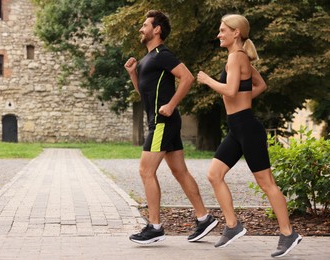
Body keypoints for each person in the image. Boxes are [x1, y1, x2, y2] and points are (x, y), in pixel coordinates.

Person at [197, 14, 302, 257]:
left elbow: (231, 90)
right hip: (237, 128)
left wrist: (207, 80)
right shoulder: (241, 58)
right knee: (214, 175)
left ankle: (288, 233)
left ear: (236, 33)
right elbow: (260, 85)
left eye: (223, 30)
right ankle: (233, 225)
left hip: (247, 128)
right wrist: (244, 101)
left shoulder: (236, 58)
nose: (219, 34)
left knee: (267, 184)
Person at [124, 10, 218, 244]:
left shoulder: (162, 54)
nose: (141, 29)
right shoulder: (147, 59)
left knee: (146, 171)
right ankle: (204, 218)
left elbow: (187, 77)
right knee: (179, 171)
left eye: (145, 25)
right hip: (162, 122)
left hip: (162, 123)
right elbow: (143, 94)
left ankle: (155, 226)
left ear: (157, 30)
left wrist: (171, 104)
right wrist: (133, 74)